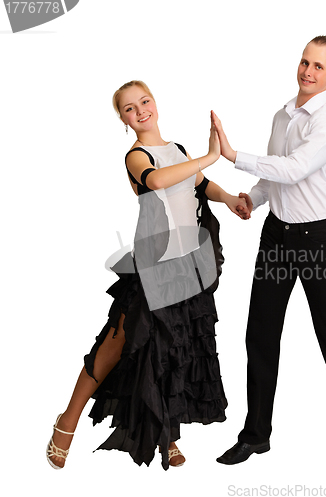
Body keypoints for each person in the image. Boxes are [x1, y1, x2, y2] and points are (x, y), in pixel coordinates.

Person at [46, 80, 250, 471]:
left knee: (173, 350)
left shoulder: (178, 151)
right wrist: (210, 155)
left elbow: (200, 185)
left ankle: (167, 433)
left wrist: (229, 199)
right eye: (128, 108)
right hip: (153, 265)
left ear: (155, 103)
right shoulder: (136, 156)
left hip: (186, 265)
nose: (140, 111)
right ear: (123, 120)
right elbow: (158, 180)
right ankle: (66, 421)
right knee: (117, 342)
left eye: (144, 101)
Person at [212, 36, 326, 464]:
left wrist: (233, 155)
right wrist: (253, 201)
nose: (308, 71)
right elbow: (276, 173)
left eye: (318, 66)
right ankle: (255, 435)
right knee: (260, 334)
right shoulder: (282, 115)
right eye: (305, 62)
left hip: (318, 243)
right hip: (277, 237)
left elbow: (294, 170)